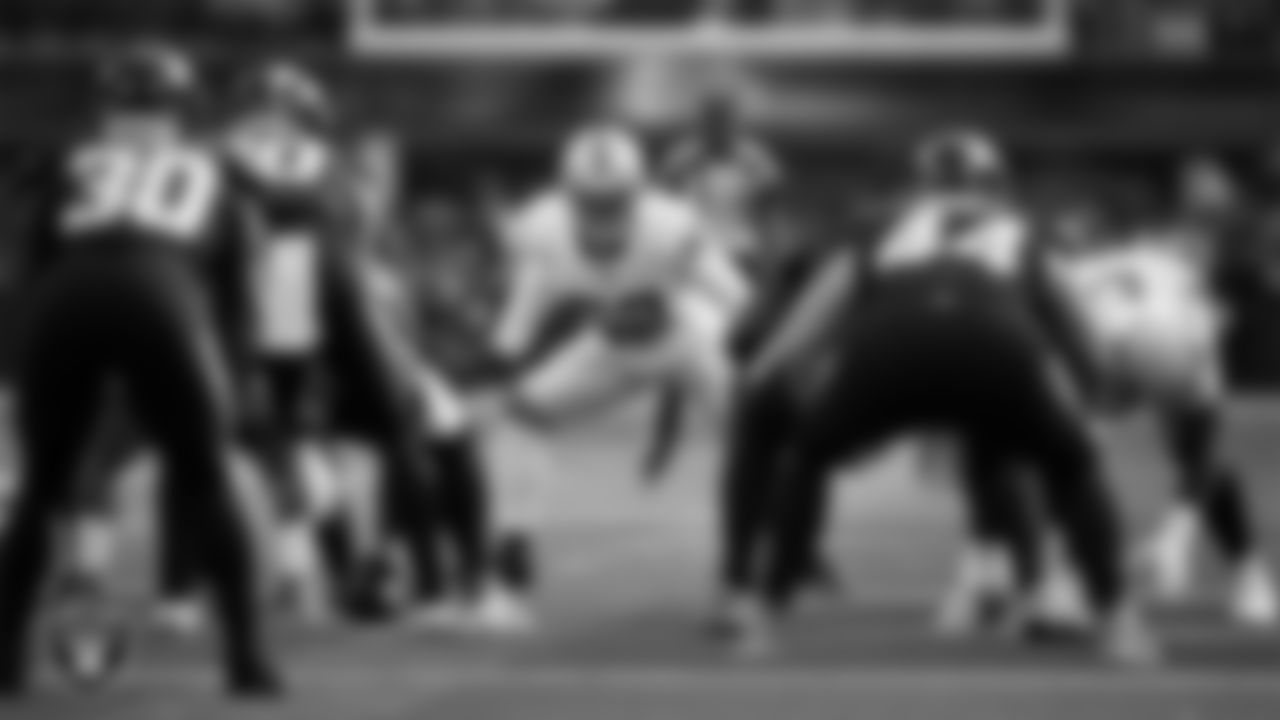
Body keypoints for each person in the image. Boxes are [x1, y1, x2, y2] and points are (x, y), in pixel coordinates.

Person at [726, 129, 1154, 666]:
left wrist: (771, 375)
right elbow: (1077, 329)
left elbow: (816, 315)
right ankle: (1118, 620)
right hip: (993, 345)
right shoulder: (1020, 232)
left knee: (808, 458)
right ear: (996, 184)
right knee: (1070, 463)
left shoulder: (880, 228)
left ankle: (762, 616)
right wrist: (1094, 399)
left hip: (892, 347)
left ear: (919, 184)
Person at [0, 45, 280, 697]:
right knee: (206, 479)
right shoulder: (223, 175)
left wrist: (18, 366)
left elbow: (28, 273)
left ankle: (6, 661)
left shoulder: (67, 164)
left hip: (63, 301)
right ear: (183, 112)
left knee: (41, 490)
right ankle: (248, 661)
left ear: (107, 110)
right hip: (163, 299)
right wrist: (242, 374)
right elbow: (241, 294)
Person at [481, 122, 751, 624]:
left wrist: (757, 368)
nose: (603, 213)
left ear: (639, 191)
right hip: (609, 347)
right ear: (567, 194)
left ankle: (743, 576)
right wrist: (501, 373)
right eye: (591, 201)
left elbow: (738, 301)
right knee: (521, 414)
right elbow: (520, 315)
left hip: (685, 337)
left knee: (753, 432)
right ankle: (512, 565)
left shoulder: (674, 227)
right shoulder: (542, 231)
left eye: (615, 201)